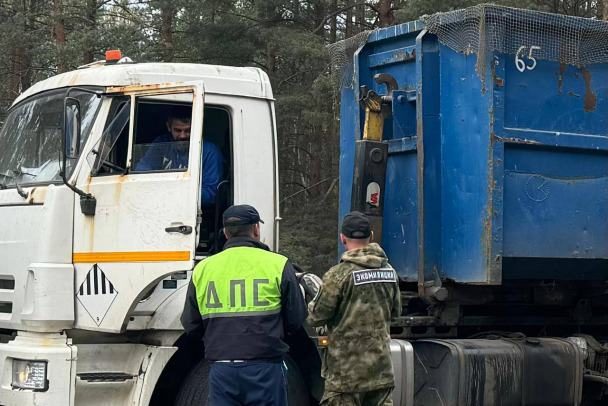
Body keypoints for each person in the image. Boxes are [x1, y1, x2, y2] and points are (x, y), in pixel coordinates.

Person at [181, 204, 308, 405]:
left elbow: (191, 326)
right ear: (256, 229)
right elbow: (295, 320)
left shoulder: (203, 269)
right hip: (266, 369)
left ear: (225, 232)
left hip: (222, 370)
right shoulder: (278, 264)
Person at [307, 211, 401, 406]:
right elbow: (395, 313)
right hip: (381, 372)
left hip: (345, 377)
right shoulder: (389, 272)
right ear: (371, 237)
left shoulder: (338, 274)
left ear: (342, 238)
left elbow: (317, 316)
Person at [135, 115, 224, 206]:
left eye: (188, 131)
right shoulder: (162, 143)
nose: (182, 136)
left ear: (198, 127)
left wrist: (172, 188)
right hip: (160, 203)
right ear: (169, 127)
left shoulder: (209, 152)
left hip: (192, 210)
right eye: (177, 130)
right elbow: (142, 168)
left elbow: (210, 195)